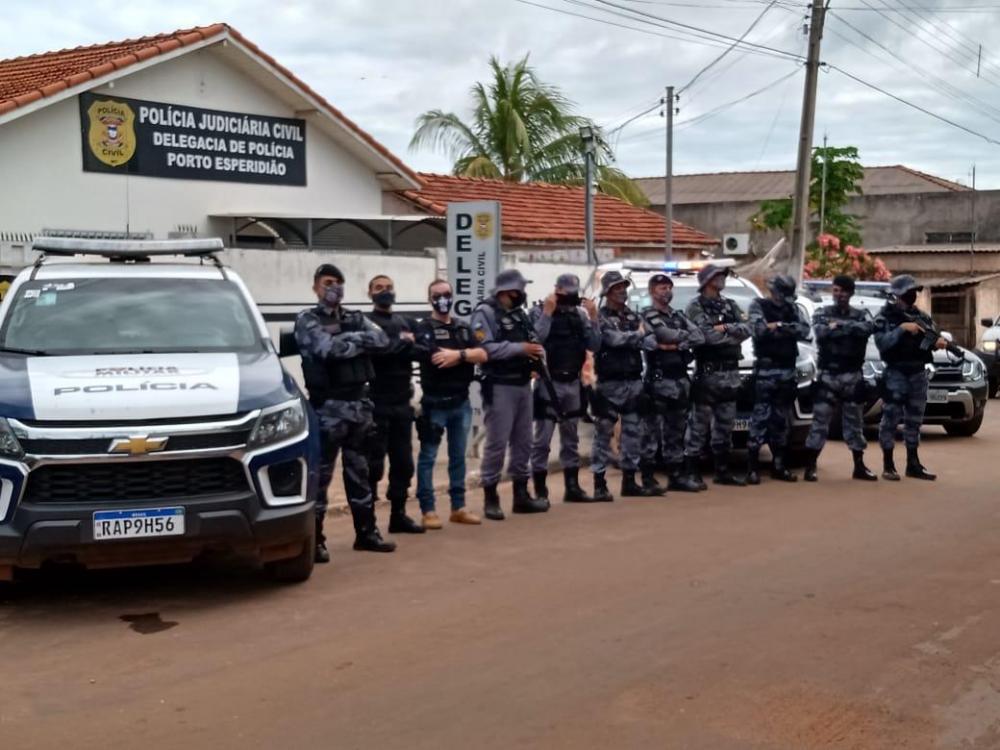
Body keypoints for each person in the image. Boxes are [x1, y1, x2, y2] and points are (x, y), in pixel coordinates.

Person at [295, 263, 395, 561]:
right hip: (327, 410)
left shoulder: (355, 316)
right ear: (316, 287)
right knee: (321, 478)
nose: (333, 287)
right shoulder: (307, 319)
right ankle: (315, 541)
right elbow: (327, 350)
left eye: (338, 282)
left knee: (360, 473)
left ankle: (366, 534)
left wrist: (350, 340)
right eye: (328, 282)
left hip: (358, 407)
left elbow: (382, 340)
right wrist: (356, 341)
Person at [471, 269, 549, 520]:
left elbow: (533, 338)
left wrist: (535, 355)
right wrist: (520, 349)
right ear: (505, 291)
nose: (521, 295)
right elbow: (485, 347)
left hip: (523, 384)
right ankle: (491, 498)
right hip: (499, 385)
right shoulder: (485, 312)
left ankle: (521, 495)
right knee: (496, 443)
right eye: (518, 291)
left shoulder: (519, 315)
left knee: (523, 442)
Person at [412, 279, 488, 528]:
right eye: (437, 295)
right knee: (428, 458)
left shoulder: (463, 328)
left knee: (458, 457)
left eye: (446, 294)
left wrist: (458, 354)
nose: (442, 298)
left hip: (460, 403)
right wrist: (463, 356)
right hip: (434, 404)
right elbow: (435, 357)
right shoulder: (424, 327)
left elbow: (483, 354)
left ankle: (459, 507)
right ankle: (428, 510)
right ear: (429, 298)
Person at [529, 273, 601, 503]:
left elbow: (594, 344)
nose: (568, 298)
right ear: (556, 290)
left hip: (573, 383)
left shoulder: (578, 315)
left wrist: (593, 317)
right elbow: (535, 341)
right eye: (564, 293)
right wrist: (548, 313)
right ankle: (540, 490)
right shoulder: (539, 311)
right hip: (549, 384)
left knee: (571, 439)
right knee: (542, 441)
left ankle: (573, 487)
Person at [802, 275, 877, 482]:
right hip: (828, 376)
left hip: (852, 376)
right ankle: (811, 466)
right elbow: (821, 332)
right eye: (835, 290)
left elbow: (868, 329)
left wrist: (839, 327)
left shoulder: (861, 314)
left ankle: (859, 466)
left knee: (855, 423)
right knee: (820, 422)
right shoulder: (822, 312)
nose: (839, 294)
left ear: (851, 293)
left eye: (843, 291)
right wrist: (846, 329)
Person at [591, 270, 659, 500]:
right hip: (609, 384)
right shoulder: (600, 317)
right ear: (607, 292)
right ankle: (599, 483)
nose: (622, 291)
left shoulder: (633, 316)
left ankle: (630, 480)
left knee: (633, 433)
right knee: (603, 434)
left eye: (623, 287)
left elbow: (650, 341)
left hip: (633, 380)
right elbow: (612, 339)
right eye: (616, 288)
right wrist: (635, 336)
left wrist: (633, 336)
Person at [684, 264, 751, 488]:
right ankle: (692, 472)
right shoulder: (695, 306)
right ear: (706, 280)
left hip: (730, 373)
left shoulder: (730, 304)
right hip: (707, 375)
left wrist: (725, 328)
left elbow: (747, 329)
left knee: (725, 426)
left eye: (723, 275)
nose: (722, 278)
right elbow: (706, 337)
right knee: (698, 428)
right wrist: (730, 332)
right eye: (718, 275)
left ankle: (722, 471)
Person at [365, 275, 423, 535]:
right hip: (376, 402)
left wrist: (398, 346)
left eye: (389, 287)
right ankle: (367, 521)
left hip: (402, 402)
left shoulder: (405, 321)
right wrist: (403, 343)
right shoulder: (365, 323)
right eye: (379, 288)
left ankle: (398, 516)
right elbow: (379, 353)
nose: (385, 292)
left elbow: (422, 350)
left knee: (403, 464)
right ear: (370, 293)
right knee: (373, 465)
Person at [873, 274, 945, 481]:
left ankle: (913, 464)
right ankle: (888, 465)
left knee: (914, 420)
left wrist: (938, 342)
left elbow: (933, 336)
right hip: (896, 372)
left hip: (917, 373)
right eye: (907, 293)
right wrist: (901, 329)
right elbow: (882, 344)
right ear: (896, 295)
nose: (912, 296)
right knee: (891, 419)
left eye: (913, 292)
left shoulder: (920, 316)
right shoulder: (884, 318)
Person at [640, 272, 705, 493]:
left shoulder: (678, 315)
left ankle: (676, 476)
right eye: (661, 288)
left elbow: (699, 336)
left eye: (669, 287)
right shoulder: (646, 316)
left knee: (676, 431)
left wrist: (674, 344)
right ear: (652, 291)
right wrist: (677, 339)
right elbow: (656, 337)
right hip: (658, 381)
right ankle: (648, 478)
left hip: (679, 380)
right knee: (651, 433)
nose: (666, 291)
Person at [745, 274, 811, 485]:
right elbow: (759, 330)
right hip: (766, 371)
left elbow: (804, 330)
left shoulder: (793, 309)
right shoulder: (758, 305)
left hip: (787, 371)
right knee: (760, 420)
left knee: (781, 422)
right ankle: (752, 468)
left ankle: (779, 466)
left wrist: (779, 326)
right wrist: (784, 329)